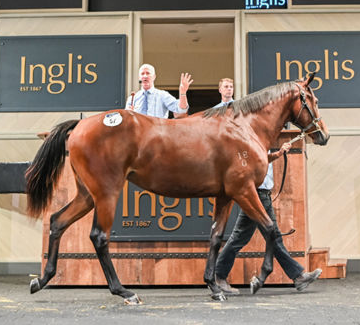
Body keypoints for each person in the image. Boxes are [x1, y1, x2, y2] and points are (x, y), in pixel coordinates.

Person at [212, 78, 322, 295]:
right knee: (272, 235)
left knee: (241, 238)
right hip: (256, 190)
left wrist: (277, 153)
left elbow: (258, 160)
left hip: (259, 187)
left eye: (231, 86)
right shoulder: (243, 129)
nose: (228, 89)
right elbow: (245, 161)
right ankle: (297, 276)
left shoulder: (257, 134)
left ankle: (219, 274)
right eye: (225, 86)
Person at [125, 63, 193, 118]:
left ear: (154, 77)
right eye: (142, 73)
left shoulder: (162, 95)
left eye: (148, 73)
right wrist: (128, 115)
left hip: (157, 133)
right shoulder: (132, 98)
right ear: (139, 77)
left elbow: (181, 110)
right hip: (139, 134)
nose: (145, 76)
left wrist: (183, 93)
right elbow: (125, 120)